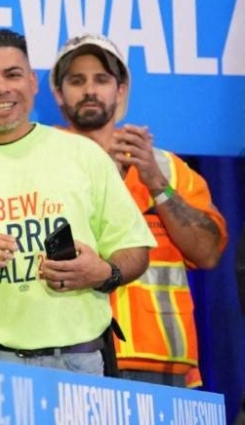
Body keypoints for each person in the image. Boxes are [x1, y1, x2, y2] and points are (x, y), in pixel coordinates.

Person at [0, 29, 155, 375]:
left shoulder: (84, 155)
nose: (0, 88)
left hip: (76, 362)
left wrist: (103, 272)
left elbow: (135, 251)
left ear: (33, 82)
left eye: (13, 74)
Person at [50, 33, 227, 386]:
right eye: (76, 80)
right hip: (71, 352)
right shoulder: (43, 161)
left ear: (121, 90)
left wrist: (156, 183)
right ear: (58, 93)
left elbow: (208, 254)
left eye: (102, 79)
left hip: (163, 361)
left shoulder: (167, 167)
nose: (89, 90)